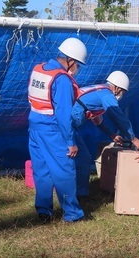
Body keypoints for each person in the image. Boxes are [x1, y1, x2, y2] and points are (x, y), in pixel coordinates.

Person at [28, 37, 93, 223]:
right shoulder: (62, 79)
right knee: (64, 170)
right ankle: (73, 214)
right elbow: (64, 115)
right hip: (53, 130)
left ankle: (44, 211)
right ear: (71, 60)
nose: (77, 69)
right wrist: (71, 142)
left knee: (42, 170)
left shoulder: (38, 69)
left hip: (34, 128)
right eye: (77, 64)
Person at [71, 70, 139, 199]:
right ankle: (80, 196)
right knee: (82, 158)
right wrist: (133, 138)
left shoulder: (98, 91)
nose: (122, 95)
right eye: (122, 91)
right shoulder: (107, 95)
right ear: (116, 88)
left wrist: (112, 135)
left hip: (64, 123)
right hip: (67, 126)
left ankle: (71, 191)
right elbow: (118, 116)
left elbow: (97, 119)